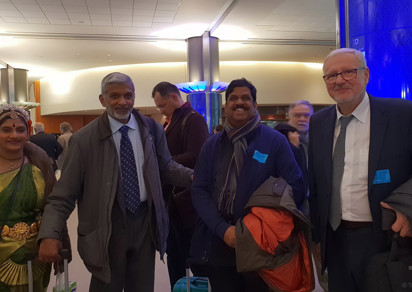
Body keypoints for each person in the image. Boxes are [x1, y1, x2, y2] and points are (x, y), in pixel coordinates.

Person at [37, 72, 193, 292]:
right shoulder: (84, 140)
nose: (123, 102)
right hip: (105, 227)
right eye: (115, 96)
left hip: (144, 224)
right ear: (102, 99)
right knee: (106, 286)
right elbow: (64, 195)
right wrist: (49, 233)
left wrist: (193, 177)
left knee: (142, 287)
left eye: (128, 95)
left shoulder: (152, 129)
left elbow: (166, 167)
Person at [309, 48, 412, 292]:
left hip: (386, 239)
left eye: (348, 72)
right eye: (331, 75)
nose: (339, 80)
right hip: (335, 239)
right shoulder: (319, 122)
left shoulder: (401, 113)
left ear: (366, 74)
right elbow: (316, 182)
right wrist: (317, 236)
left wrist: (409, 208)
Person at [190, 78, 305, 292]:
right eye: (233, 98)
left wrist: (259, 225)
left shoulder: (274, 142)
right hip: (219, 241)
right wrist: (223, 229)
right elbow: (199, 189)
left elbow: (295, 188)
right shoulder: (212, 144)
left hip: (261, 246)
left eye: (246, 98)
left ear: (255, 105)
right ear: (226, 105)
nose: (239, 102)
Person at [0, 105, 69, 292]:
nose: (14, 135)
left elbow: (53, 207)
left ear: (28, 132)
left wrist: (52, 237)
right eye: (6, 129)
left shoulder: (40, 164)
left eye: (20, 129)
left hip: (35, 255)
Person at [152, 81, 209, 288]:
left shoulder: (193, 120)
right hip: (173, 204)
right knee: (176, 259)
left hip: (187, 203)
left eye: (162, 105)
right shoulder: (171, 120)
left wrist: (163, 163)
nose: (161, 110)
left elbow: (196, 157)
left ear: (175, 97)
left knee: (192, 261)